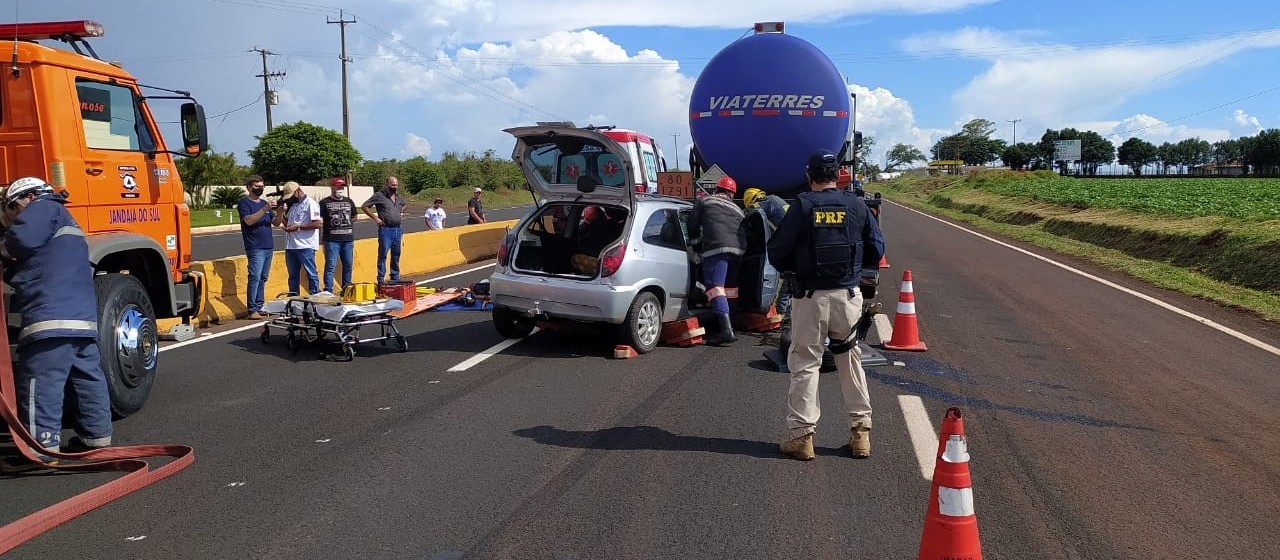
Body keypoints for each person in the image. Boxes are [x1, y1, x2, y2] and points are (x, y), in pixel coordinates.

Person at [767, 149, 884, 461]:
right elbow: (876, 248)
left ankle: (802, 437)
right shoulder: (857, 205)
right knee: (851, 360)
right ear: (838, 176)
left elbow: (777, 252)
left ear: (809, 176)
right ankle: (861, 434)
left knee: (806, 362)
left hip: (810, 297)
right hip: (848, 297)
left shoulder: (802, 206)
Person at [0, 177, 112, 471]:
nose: (12, 216)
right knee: (87, 377)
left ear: (30, 196)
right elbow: (41, 262)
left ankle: (41, 449)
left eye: (12, 208)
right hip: (81, 317)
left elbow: (21, 240)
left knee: (40, 382)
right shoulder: (64, 218)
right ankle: (96, 439)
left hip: (50, 316)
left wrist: (3, 246)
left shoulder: (42, 206)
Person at [687, 175, 745, 346]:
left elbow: (692, 224)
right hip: (738, 250)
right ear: (732, 194)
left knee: (714, 287)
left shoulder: (705, 201)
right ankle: (731, 323)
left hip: (716, 247)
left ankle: (725, 330)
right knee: (730, 288)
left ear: (716, 189)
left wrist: (695, 244)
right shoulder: (738, 209)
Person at [271, 181, 322, 295]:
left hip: (305, 245)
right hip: (291, 245)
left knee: (311, 274)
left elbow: (318, 224)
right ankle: (294, 298)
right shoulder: (294, 206)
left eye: (291, 196)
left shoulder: (310, 203)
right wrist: (280, 212)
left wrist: (299, 228)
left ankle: (315, 296)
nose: (290, 199)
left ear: (298, 191)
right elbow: (288, 223)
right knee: (292, 276)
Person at [237, 175, 275, 319]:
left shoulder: (265, 203)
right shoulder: (244, 203)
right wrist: (264, 209)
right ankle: (252, 308)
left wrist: (279, 212)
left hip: (268, 246)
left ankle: (259, 306)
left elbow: (276, 223)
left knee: (263, 278)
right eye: (257, 187)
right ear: (249, 187)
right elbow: (249, 221)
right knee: (254, 277)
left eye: (262, 186)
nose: (260, 189)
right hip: (255, 246)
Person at [362, 176, 406, 283]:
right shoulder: (379, 195)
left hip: (397, 229)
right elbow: (365, 206)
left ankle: (395, 276)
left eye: (396, 185)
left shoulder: (398, 197)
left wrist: (398, 211)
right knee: (383, 254)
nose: (394, 187)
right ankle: (381, 278)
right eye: (392, 185)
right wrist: (376, 218)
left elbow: (405, 204)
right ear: (387, 185)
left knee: (396, 254)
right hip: (386, 229)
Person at [319, 177, 357, 293]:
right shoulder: (324, 203)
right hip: (332, 240)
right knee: (331, 266)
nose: (340, 189)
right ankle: (328, 290)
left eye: (342, 187)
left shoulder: (349, 201)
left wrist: (349, 220)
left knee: (348, 265)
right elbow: (318, 217)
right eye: (338, 187)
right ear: (333, 188)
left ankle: (346, 289)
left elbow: (354, 215)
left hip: (347, 239)